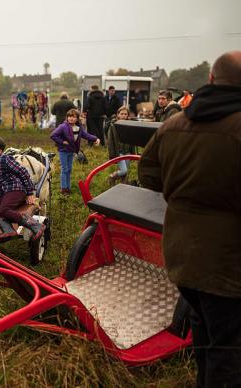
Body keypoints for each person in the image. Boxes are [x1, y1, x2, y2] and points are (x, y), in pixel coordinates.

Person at [138, 50, 241, 388]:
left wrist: (184, 194)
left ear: (210, 79)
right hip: (229, 262)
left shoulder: (174, 124)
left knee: (205, 335)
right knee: (229, 351)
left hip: (183, 254)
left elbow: (148, 174)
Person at [0, 135, 45, 244]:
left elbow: (23, 172)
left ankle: (36, 226)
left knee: (4, 209)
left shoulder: (3, 158)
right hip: (4, 193)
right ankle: (8, 230)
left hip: (15, 189)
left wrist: (30, 193)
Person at [50, 109, 100, 194]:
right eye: (69, 116)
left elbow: (86, 135)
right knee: (64, 169)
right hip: (63, 151)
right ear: (67, 117)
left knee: (69, 169)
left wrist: (95, 138)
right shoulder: (63, 126)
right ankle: (63, 188)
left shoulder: (78, 128)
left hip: (71, 151)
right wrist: (62, 142)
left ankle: (68, 188)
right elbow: (53, 135)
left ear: (77, 118)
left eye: (73, 117)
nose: (71, 118)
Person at [106, 106, 134, 184]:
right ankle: (112, 176)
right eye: (121, 114)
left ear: (128, 115)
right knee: (123, 170)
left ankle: (123, 186)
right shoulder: (113, 125)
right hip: (119, 151)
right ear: (118, 114)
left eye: (125, 114)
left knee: (126, 172)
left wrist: (132, 151)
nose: (123, 116)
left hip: (127, 151)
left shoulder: (130, 125)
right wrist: (112, 154)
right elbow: (110, 141)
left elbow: (132, 139)